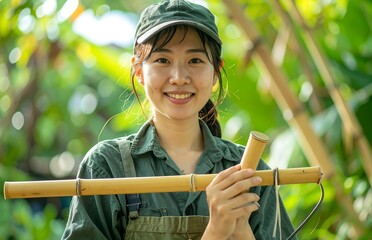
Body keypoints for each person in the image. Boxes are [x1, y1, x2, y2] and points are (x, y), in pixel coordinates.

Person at [62, 0, 296, 239]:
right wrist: (216, 231)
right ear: (139, 71)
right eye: (163, 60)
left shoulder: (249, 172)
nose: (179, 77)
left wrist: (241, 233)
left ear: (215, 71)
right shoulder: (107, 168)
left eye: (195, 60)